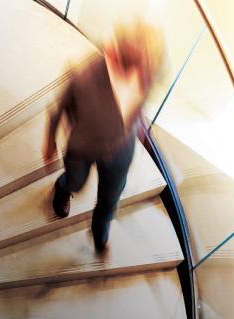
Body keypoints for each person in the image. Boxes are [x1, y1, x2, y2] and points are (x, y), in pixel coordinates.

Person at [45, 19, 164, 258]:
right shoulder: (85, 78)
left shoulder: (147, 73)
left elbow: (137, 104)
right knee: (76, 182)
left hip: (120, 150)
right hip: (84, 147)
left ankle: (100, 234)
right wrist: (50, 140)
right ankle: (62, 187)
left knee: (110, 199)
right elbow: (59, 109)